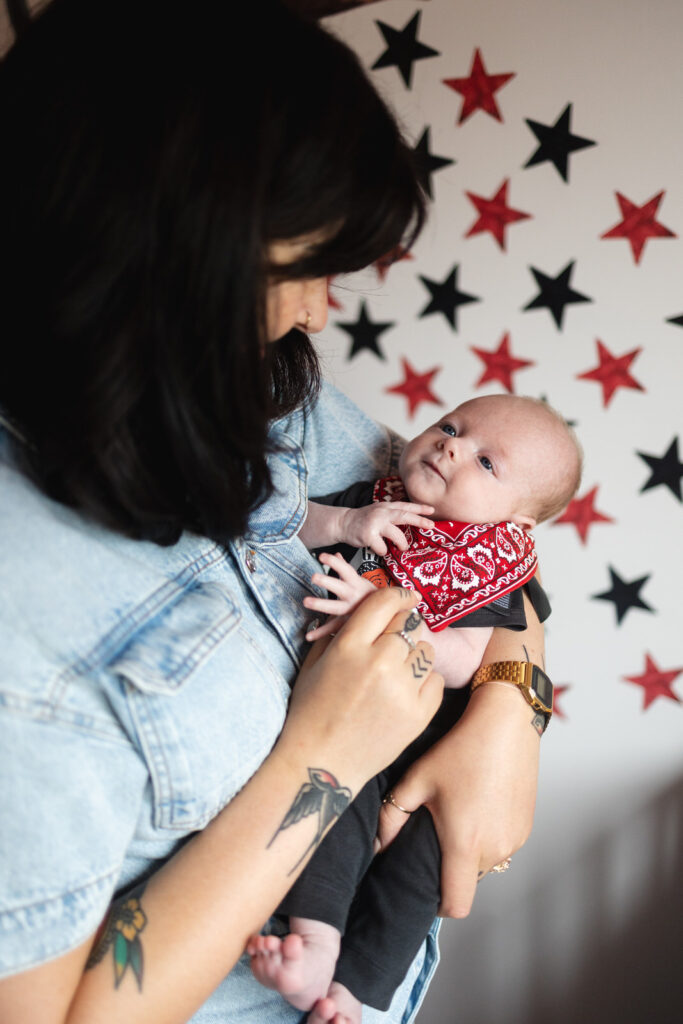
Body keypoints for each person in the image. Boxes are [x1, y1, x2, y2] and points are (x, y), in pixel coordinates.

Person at [0, 3, 547, 1024]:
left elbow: (496, 555)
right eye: (305, 268)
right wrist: (323, 758)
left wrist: (516, 703)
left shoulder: (270, 393)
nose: (320, 310)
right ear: (181, 244)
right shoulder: (20, 616)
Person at [248, 394, 581, 1021]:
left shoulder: (486, 568)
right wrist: (346, 526)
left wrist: (381, 614)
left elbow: (463, 659)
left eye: (487, 463)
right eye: (452, 427)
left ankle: (357, 991)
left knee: (426, 865)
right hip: (360, 728)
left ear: (516, 523)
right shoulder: (377, 498)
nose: (453, 446)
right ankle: (314, 943)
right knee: (332, 804)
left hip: (437, 749)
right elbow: (286, 522)